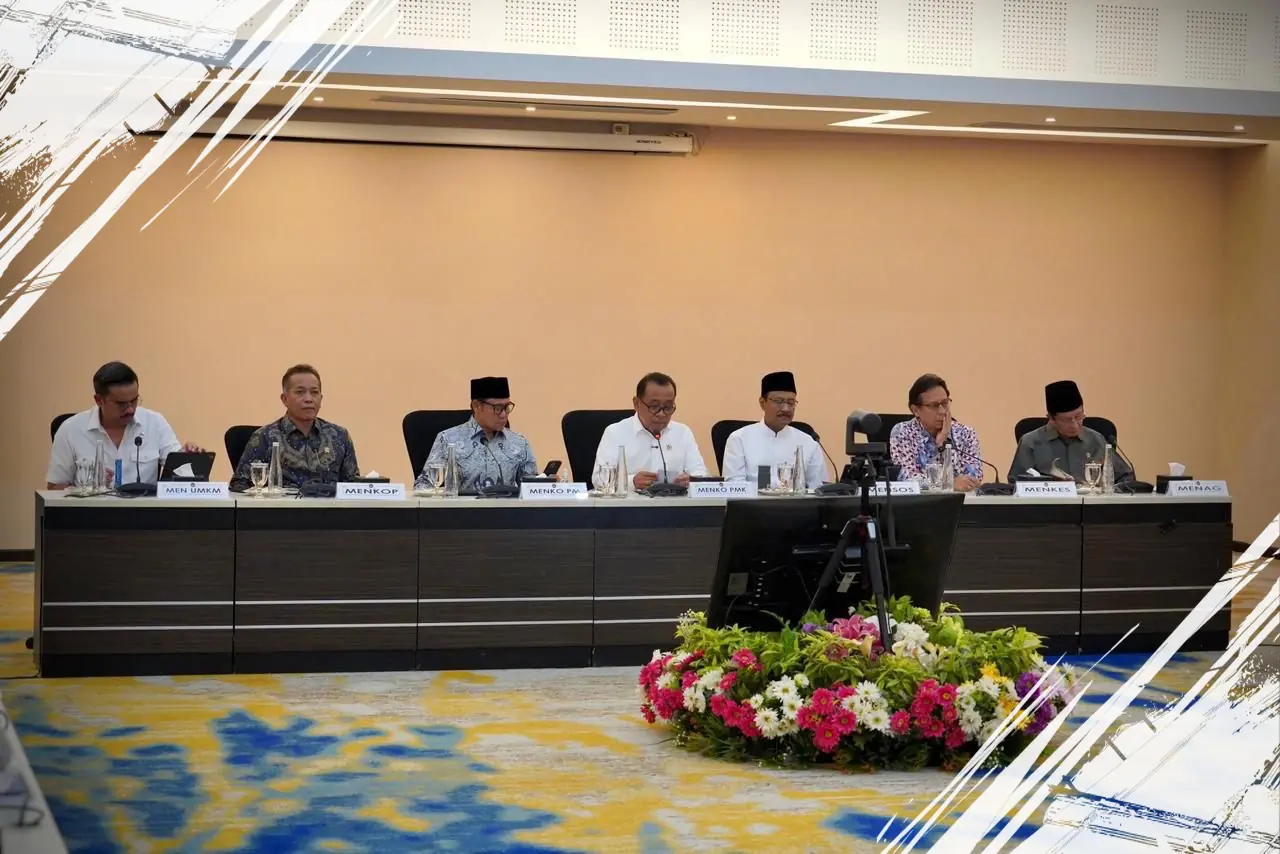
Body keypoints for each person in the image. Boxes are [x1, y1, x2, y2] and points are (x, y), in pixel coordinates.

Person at [47, 361, 204, 489]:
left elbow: (180, 472)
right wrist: (88, 488)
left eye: (134, 400)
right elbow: (55, 487)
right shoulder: (70, 430)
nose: (130, 409)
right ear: (99, 400)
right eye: (121, 404)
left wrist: (187, 456)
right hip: (91, 514)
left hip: (145, 514)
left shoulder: (155, 423)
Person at [230, 364, 359, 490]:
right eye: (300, 392)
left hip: (328, 504)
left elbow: (354, 487)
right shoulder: (265, 437)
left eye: (314, 392)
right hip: (282, 504)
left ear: (321, 398)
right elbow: (239, 485)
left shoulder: (339, 436)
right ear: (284, 399)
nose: (308, 399)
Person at [417, 376, 537, 492]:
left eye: (507, 407)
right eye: (497, 408)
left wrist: (542, 485)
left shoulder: (519, 443)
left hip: (505, 506)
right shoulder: (448, 440)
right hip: (462, 506)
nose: (503, 414)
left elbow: (532, 489)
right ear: (476, 406)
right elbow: (423, 486)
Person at [594, 372, 708, 489]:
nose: (661, 414)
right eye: (654, 407)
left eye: (668, 407)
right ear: (637, 403)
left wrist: (691, 480)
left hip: (674, 499)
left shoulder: (682, 432)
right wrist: (632, 482)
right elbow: (600, 479)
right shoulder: (615, 433)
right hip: (631, 500)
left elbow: (701, 473)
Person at [1009, 380, 1133, 483]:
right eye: (1067, 420)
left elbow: (1126, 477)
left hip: (1092, 503)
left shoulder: (1096, 440)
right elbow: (1016, 484)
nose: (1074, 424)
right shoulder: (1030, 442)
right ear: (1051, 419)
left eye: (1079, 417)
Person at [722, 371, 828, 487]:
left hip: (798, 500)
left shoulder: (808, 442)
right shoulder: (739, 439)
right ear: (762, 403)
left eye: (791, 402)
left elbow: (819, 488)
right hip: (753, 499)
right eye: (778, 401)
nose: (786, 409)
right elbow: (734, 487)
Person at [888, 373, 984, 491]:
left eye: (945, 403)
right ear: (916, 410)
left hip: (962, 501)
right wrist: (949, 483)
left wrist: (943, 443)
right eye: (934, 405)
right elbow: (907, 479)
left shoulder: (966, 434)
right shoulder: (903, 433)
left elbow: (973, 478)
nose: (942, 411)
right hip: (921, 502)